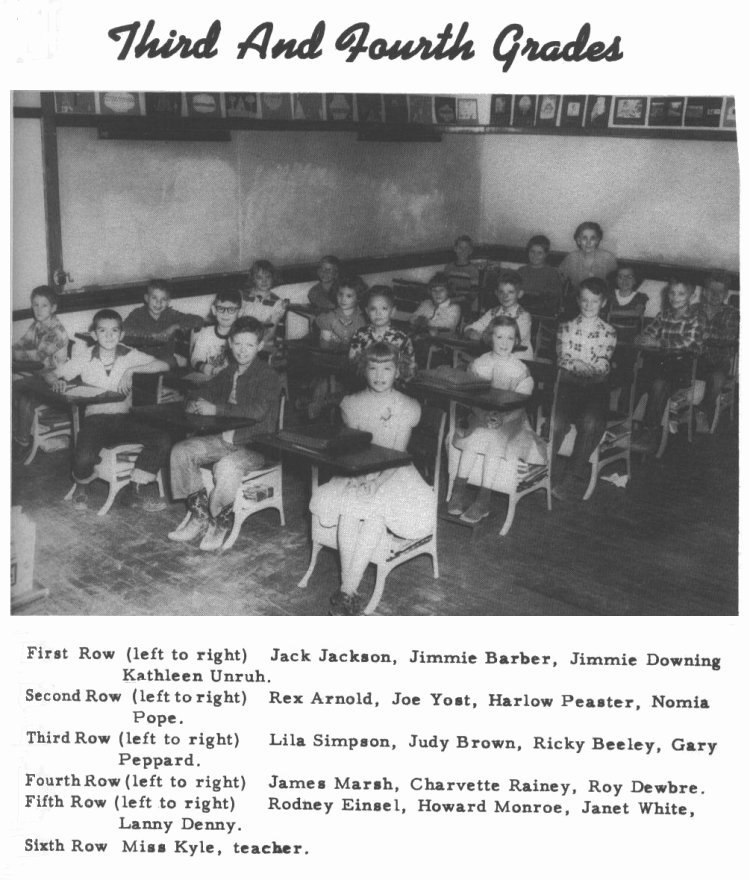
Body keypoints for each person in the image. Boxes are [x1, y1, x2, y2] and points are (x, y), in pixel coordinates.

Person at [309, 342, 434, 615]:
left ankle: (347, 588)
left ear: (397, 370)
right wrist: (356, 475)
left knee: (376, 509)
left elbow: (398, 454)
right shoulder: (352, 404)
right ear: (363, 370)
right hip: (359, 469)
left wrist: (376, 482)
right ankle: (348, 590)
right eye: (373, 368)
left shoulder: (405, 406)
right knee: (349, 508)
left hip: (394, 472)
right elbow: (352, 445)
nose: (379, 375)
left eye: (387, 368)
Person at [168, 317, 282, 551]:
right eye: (238, 344)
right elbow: (204, 391)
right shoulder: (229, 371)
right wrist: (195, 402)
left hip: (256, 445)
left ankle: (220, 521)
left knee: (226, 467)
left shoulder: (268, 376)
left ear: (260, 346)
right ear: (230, 342)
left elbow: (257, 412)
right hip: (225, 439)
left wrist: (217, 409)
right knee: (181, 451)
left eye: (250, 345)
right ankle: (199, 515)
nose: (243, 350)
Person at [54, 309, 171, 511]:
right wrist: (57, 382)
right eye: (102, 331)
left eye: (114, 331)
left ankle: (133, 488)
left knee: (163, 439)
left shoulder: (128, 354)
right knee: (83, 457)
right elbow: (53, 374)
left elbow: (164, 365)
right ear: (94, 335)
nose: (109, 336)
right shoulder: (85, 357)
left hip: (124, 418)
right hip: (95, 420)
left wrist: (132, 370)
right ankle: (81, 485)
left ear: (121, 334)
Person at [447, 317, 545, 523]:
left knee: (492, 439)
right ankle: (459, 490)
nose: (504, 342)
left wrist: (503, 417)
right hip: (481, 416)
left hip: (512, 420)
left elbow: (521, 404)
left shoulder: (520, 370)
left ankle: (483, 500)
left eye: (510, 337)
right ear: (490, 337)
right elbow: (470, 396)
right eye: (499, 336)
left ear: (517, 340)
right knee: (478, 435)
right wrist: (482, 415)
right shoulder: (479, 364)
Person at [551, 278, 617, 501]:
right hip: (568, 384)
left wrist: (591, 368)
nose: (589, 305)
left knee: (591, 422)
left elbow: (604, 361)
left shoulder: (609, 332)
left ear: (604, 303)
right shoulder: (566, 327)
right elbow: (563, 356)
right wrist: (575, 365)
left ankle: (572, 476)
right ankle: (545, 471)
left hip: (594, 388)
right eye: (585, 300)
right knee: (556, 422)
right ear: (578, 300)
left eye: (595, 301)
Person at [631, 278, 703, 453]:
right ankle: (628, 426)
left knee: (659, 384)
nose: (675, 297)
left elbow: (687, 341)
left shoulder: (695, 319)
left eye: (681, 294)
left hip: (680, 370)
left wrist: (658, 343)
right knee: (634, 378)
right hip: (657, 365)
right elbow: (648, 334)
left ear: (692, 296)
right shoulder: (663, 315)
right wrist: (642, 339)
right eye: (672, 292)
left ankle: (650, 433)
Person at [12, 285, 70, 461]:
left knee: (22, 393)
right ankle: (20, 435)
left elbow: (37, 357)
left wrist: (11, 354)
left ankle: (21, 441)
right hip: (39, 374)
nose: (38, 309)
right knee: (16, 389)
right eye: (35, 304)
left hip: (55, 380)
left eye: (44, 305)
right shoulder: (37, 325)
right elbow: (21, 345)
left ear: (53, 308)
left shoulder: (56, 332)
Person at [306, 277, 367, 420]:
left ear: (358, 298)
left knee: (346, 386)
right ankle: (317, 405)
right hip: (329, 358)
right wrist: (331, 328)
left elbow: (357, 340)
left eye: (349, 296)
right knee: (323, 380)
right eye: (340, 294)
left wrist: (338, 331)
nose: (343, 299)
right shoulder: (331, 316)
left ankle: (337, 408)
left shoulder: (360, 319)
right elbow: (322, 333)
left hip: (349, 362)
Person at [122, 279, 203, 367]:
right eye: (154, 298)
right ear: (146, 298)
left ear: (168, 302)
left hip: (166, 361)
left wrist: (173, 327)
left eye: (163, 299)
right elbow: (124, 330)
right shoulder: (138, 314)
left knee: (171, 362)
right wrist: (151, 335)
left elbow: (198, 320)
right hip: (143, 361)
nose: (158, 303)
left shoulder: (171, 314)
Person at [694, 271, 738, 433]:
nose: (715, 295)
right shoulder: (694, 309)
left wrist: (706, 336)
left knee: (718, 378)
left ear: (726, 294)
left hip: (719, 360)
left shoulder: (732, 313)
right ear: (704, 291)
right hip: (695, 357)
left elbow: (729, 337)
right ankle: (673, 412)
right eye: (711, 290)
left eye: (720, 292)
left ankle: (702, 411)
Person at [348, 287, 416, 384]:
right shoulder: (360, 334)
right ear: (367, 311)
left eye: (384, 308)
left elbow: (410, 369)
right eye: (373, 309)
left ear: (392, 311)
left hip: (394, 386)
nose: (378, 313)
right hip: (365, 383)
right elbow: (353, 363)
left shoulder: (402, 338)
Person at [464, 270, 532, 355]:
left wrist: (483, 337)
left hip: (517, 358)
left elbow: (514, 341)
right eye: (501, 292)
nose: (505, 296)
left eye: (510, 292)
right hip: (495, 355)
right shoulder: (493, 312)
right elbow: (471, 327)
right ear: (496, 293)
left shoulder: (523, 316)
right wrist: (470, 332)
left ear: (520, 294)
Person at [190, 291, 242, 377]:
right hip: (208, 376)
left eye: (231, 310)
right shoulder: (206, 333)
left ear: (240, 312)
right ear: (214, 310)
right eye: (221, 308)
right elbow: (195, 358)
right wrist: (203, 367)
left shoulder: (242, 335)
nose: (225, 314)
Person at [240, 260, 289, 349]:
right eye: (259, 277)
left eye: (268, 277)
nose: (264, 281)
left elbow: (271, 332)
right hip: (241, 340)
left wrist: (255, 346)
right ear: (253, 279)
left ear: (273, 278)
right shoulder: (243, 297)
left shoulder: (277, 303)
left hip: (264, 343)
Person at [558, 221, 618, 291]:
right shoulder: (571, 258)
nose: (588, 243)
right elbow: (559, 280)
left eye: (592, 238)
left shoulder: (608, 258)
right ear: (578, 241)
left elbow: (615, 285)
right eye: (584, 238)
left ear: (597, 240)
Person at [517, 235, 564, 315]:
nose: (535, 256)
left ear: (546, 254)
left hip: (541, 313)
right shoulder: (521, 271)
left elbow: (555, 298)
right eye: (532, 251)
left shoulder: (552, 273)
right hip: (520, 310)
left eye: (540, 253)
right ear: (528, 252)